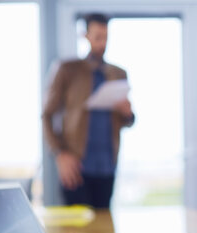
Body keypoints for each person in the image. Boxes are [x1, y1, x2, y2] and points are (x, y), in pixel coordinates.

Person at [42, 13, 134, 209]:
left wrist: (128, 113)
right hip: (76, 166)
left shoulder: (118, 74)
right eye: (97, 37)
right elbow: (47, 115)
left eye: (106, 37)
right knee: (76, 232)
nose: (102, 43)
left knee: (102, 229)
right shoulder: (67, 70)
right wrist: (60, 154)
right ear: (86, 36)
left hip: (107, 166)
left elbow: (128, 120)